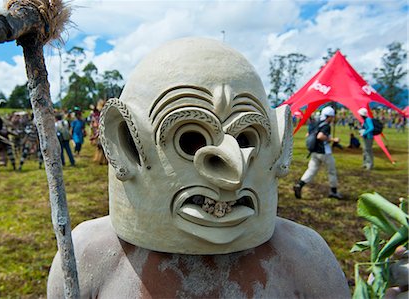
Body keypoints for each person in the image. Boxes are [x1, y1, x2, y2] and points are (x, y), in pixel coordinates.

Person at [48, 38, 349, 298]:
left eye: (246, 138)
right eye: (189, 139)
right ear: (124, 145)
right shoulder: (87, 256)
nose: (234, 172)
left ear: (278, 146)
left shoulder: (305, 258)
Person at [294, 106, 342, 199]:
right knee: (332, 171)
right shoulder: (326, 125)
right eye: (332, 117)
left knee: (311, 170)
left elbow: (307, 134)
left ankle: (300, 185)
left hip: (314, 152)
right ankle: (334, 192)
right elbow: (320, 136)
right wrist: (333, 139)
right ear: (329, 116)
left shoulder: (315, 123)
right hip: (324, 152)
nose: (333, 119)